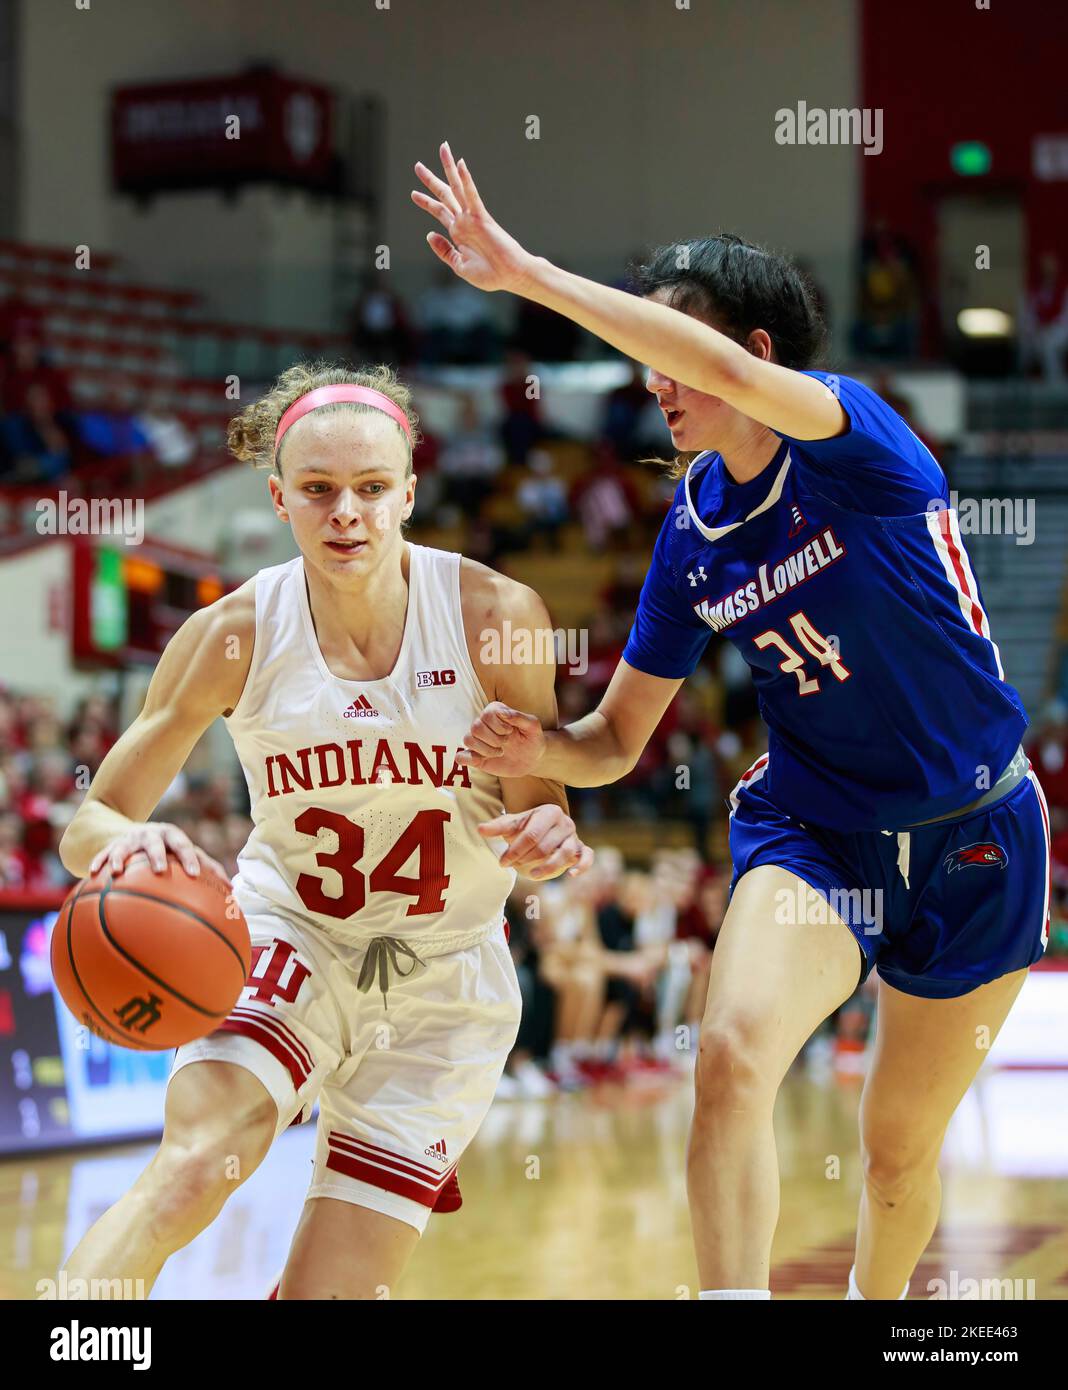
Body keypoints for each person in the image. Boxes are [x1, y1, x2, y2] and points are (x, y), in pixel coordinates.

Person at [413, 144, 1051, 1301]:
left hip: (977, 836)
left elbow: (702, 360)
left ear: (753, 357)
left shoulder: (855, 440)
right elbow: (611, 742)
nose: (655, 382)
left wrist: (531, 274)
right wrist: (536, 751)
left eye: (673, 354)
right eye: (649, 360)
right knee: (732, 1054)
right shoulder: (689, 536)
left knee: (898, 1151)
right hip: (814, 831)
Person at [57, 362, 592, 1300]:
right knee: (191, 1170)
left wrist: (547, 834)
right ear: (279, 499)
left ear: (410, 493)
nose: (347, 512)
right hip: (288, 931)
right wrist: (125, 846)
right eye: (318, 490)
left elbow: (539, 810)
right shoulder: (234, 632)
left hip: (447, 978)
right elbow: (88, 824)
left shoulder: (495, 618)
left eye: (372, 488)